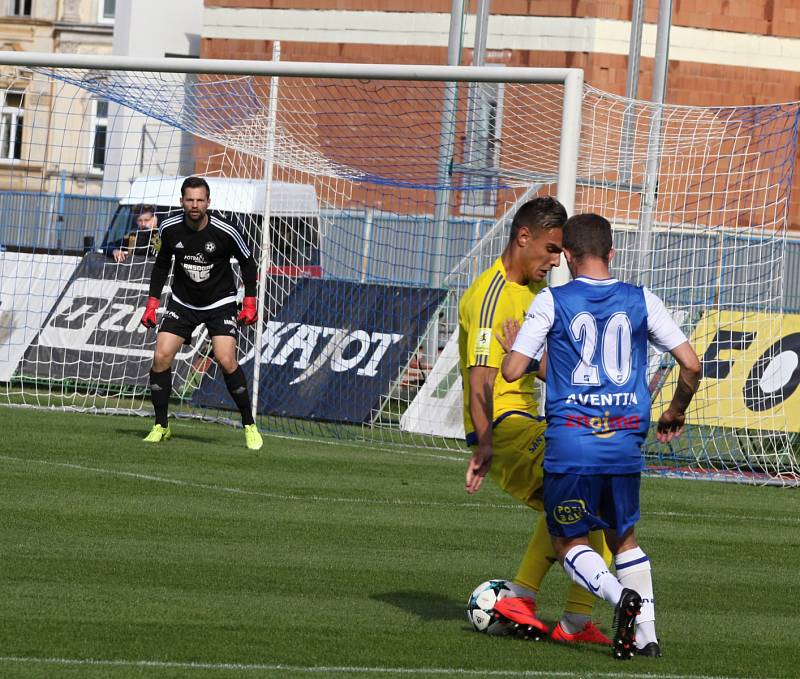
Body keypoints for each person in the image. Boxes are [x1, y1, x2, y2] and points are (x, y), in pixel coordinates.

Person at [501, 213, 701, 660]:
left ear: (567, 255)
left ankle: (618, 599)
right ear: (612, 253)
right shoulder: (643, 299)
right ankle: (647, 637)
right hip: (625, 442)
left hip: (573, 443)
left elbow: (515, 370)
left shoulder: (552, 301)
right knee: (623, 539)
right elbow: (691, 364)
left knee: (567, 540)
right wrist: (675, 410)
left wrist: (516, 353)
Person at [459, 197, 613, 645]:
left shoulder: (534, 294)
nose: (554, 261)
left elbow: (545, 367)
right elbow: (481, 380)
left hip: (530, 420)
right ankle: (529, 600)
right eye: (550, 249)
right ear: (523, 237)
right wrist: (484, 444)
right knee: (586, 483)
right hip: (505, 426)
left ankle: (571, 621)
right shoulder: (489, 295)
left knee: (582, 503)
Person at [139, 176, 263, 451]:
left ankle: (249, 424)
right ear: (181, 201)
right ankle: (161, 426)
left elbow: (248, 263)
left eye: (200, 200)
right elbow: (161, 266)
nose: (195, 205)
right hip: (183, 302)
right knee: (161, 356)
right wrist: (152, 304)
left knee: (226, 358)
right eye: (190, 200)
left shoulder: (226, 230)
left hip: (220, 303)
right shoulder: (170, 228)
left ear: (208, 202)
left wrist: (250, 303)